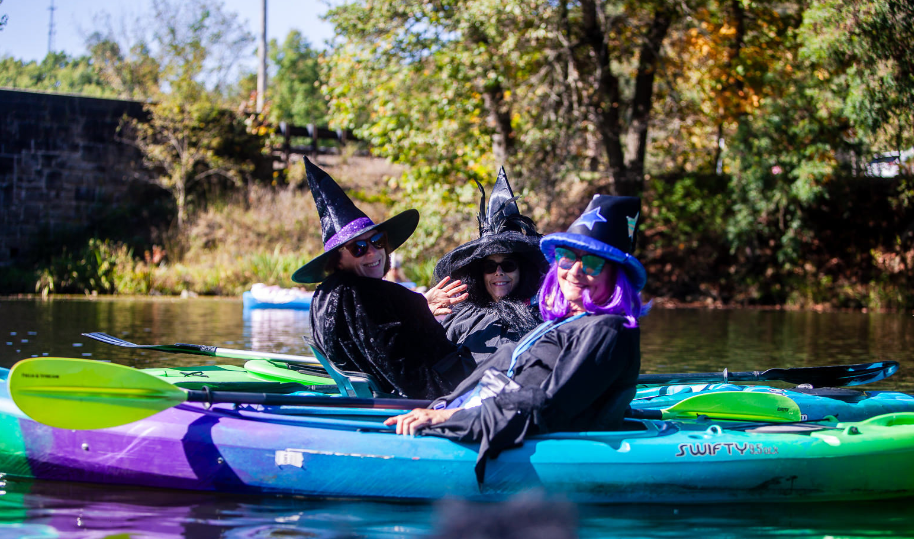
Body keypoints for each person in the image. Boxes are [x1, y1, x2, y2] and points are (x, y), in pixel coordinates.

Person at [385, 195, 648, 481]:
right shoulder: (563, 323)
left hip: (517, 432)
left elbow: (550, 403)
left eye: (593, 263)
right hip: (484, 415)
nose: (574, 271)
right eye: (567, 257)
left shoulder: (608, 328)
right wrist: (444, 406)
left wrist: (449, 418)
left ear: (616, 275)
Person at [292, 158, 475, 400]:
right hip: (433, 399)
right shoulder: (367, 296)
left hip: (369, 397)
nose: (373, 252)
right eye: (358, 247)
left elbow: (378, 338)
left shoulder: (325, 294)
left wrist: (417, 306)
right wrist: (455, 401)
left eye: (377, 241)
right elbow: (406, 373)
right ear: (337, 260)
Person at [433, 167, 548, 363]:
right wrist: (422, 316)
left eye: (508, 265)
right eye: (490, 267)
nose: (499, 272)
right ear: (480, 274)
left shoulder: (543, 316)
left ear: (522, 270)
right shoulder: (462, 319)